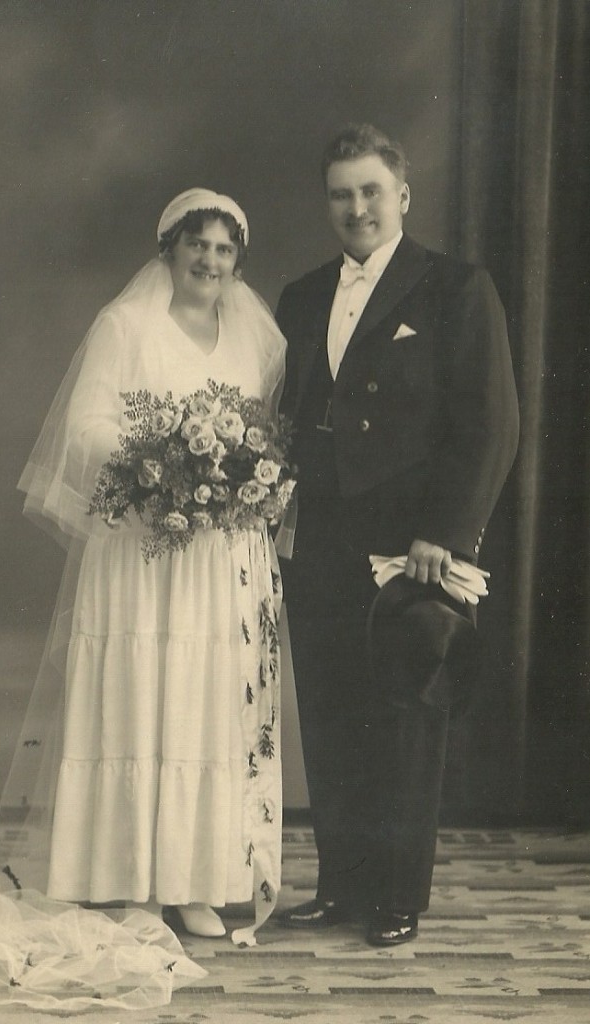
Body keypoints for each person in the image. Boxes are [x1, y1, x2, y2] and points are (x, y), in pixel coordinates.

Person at [0, 190, 287, 1014]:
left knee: (205, 710)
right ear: (170, 250)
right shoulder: (125, 327)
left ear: (234, 261)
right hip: (144, 548)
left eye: (222, 250)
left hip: (216, 559)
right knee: (142, 701)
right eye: (195, 247)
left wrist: (232, 472)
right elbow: (85, 427)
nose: (208, 262)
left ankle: (194, 881)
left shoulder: (254, 334)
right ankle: (132, 878)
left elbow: (268, 435)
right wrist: (165, 456)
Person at [275, 124, 519, 945]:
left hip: (409, 544)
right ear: (328, 205)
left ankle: (395, 898)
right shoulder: (303, 296)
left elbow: (490, 425)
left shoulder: (453, 287)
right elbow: (290, 421)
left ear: (402, 197)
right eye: (341, 194)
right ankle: (340, 888)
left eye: (371, 190)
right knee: (332, 715)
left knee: (405, 721)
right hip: (320, 542)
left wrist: (443, 535)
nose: (356, 208)